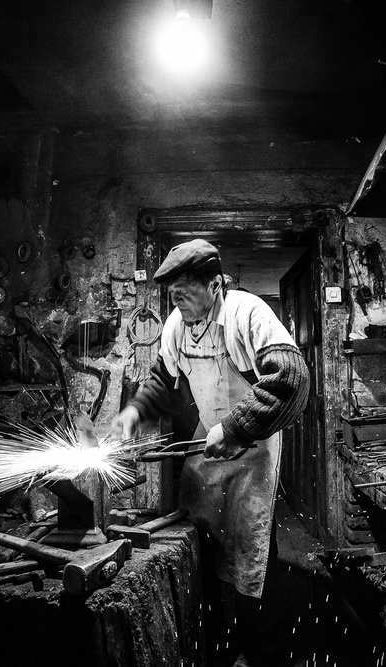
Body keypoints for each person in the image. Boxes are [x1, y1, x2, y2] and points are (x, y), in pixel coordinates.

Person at [112, 239, 309, 664]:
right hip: (208, 441)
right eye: (172, 294)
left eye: (185, 292)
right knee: (196, 539)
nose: (176, 301)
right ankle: (213, 638)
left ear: (215, 285)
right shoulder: (176, 325)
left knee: (252, 552)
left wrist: (235, 428)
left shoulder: (247, 313)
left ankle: (262, 649)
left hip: (252, 446)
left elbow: (292, 378)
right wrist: (135, 411)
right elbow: (163, 382)